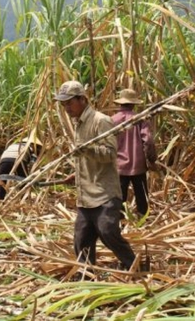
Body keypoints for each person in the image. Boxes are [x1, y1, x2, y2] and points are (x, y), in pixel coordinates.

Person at [54, 80, 140, 271]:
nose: (66, 107)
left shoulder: (101, 121)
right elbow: (84, 158)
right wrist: (75, 175)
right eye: (63, 104)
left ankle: (134, 266)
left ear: (82, 99)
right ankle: (87, 275)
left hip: (104, 193)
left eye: (69, 102)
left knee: (108, 230)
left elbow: (109, 154)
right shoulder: (78, 124)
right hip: (86, 195)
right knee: (81, 239)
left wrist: (86, 149)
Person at [111, 88, 157, 217]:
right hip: (138, 165)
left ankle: (120, 219)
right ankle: (143, 217)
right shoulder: (140, 119)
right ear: (133, 104)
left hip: (119, 165)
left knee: (120, 196)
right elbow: (148, 141)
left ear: (120, 103)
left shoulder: (112, 120)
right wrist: (151, 160)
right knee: (141, 194)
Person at [0, 135, 42, 200]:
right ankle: (23, 198)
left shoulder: (12, 145)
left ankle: (0, 198)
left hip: (4, 160)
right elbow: (32, 163)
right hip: (19, 160)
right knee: (23, 180)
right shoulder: (30, 147)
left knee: (2, 180)